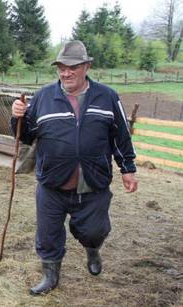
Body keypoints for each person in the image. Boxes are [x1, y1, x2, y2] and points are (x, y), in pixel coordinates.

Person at [10, 40, 138, 295]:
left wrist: (128, 168)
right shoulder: (44, 97)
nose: (66, 73)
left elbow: (120, 134)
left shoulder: (108, 97)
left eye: (73, 67)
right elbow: (25, 136)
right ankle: (50, 275)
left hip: (94, 182)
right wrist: (17, 117)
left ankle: (92, 248)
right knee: (48, 234)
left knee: (94, 231)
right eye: (61, 67)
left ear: (87, 66)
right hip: (52, 182)